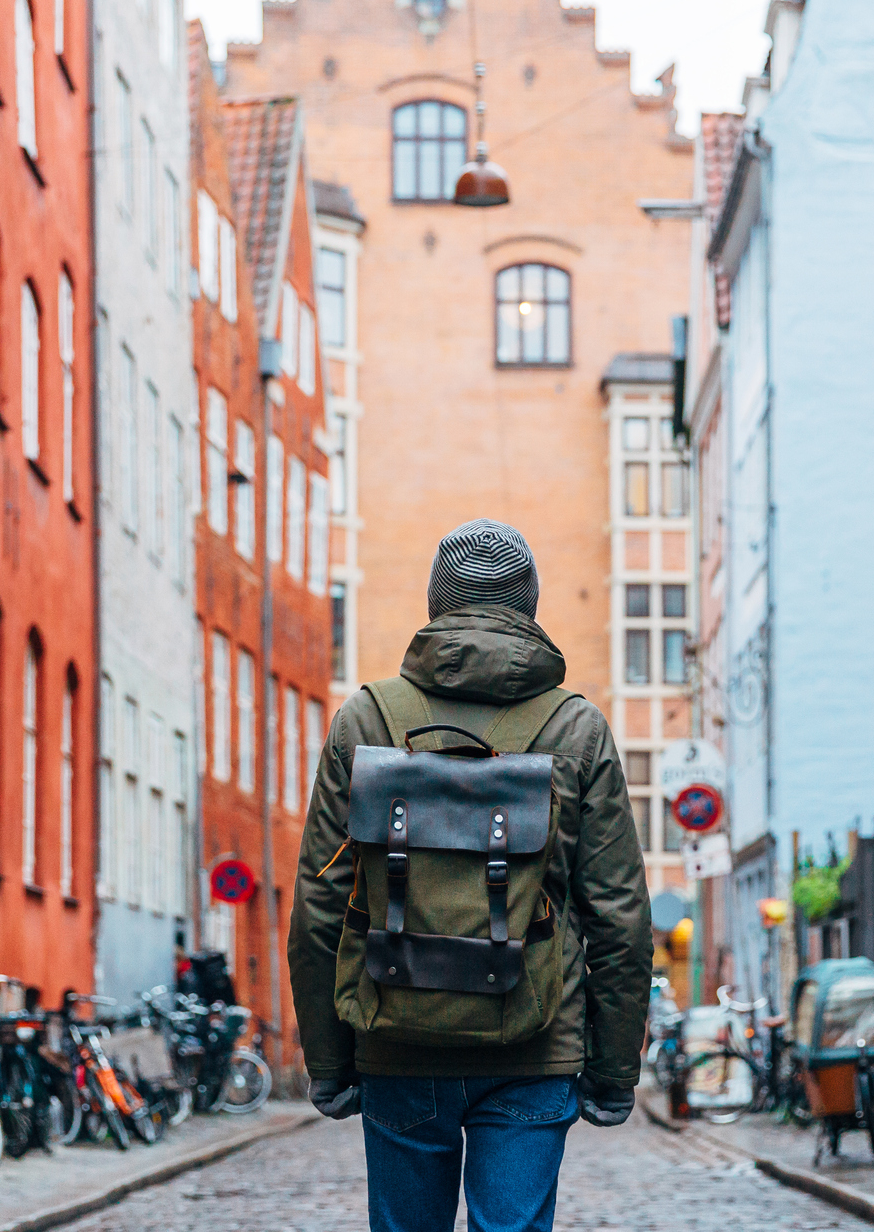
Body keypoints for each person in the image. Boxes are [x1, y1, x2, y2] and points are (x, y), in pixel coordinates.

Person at [287, 519, 654, 1232]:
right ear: (529, 605)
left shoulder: (367, 718)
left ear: (436, 604)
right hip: (534, 1040)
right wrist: (612, 1068)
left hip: (397, 1036)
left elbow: (320, 903)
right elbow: (617, 914)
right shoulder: (575, 729)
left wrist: (329, 1058)